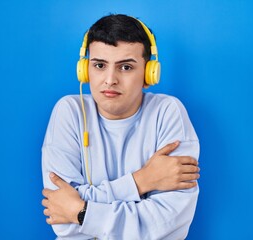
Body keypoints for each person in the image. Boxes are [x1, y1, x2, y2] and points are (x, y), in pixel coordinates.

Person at [41, 14, 200, 239]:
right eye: (99, 65)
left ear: (148, 74)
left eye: (125, 67)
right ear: (85, 70)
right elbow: (62, 222)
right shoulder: (69, 112)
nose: (110, 79)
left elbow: (167, 225)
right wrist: (142, 180)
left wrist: (80, 211)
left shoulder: (168, 112)